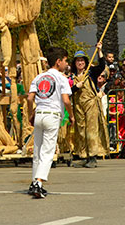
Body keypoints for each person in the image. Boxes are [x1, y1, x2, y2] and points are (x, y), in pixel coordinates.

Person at [27, 46, 75, 199]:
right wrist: (71, 115)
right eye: (65, 61)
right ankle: (39, 182)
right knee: (48, 151)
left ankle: (34, 180)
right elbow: (66, 100)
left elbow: (29, 98)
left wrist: (30, 113)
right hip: (53, 115)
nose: (66, 64)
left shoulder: (39, 77)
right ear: (58, 61)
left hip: (39, 113)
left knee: (38, 150)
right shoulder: (62, 78)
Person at [71, 43, 109, 168]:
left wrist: (99, 51)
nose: (80, 62)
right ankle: (83, 156)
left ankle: (92, 157)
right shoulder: (72, 76)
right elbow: (67, 91)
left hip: (91, 104)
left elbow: (102, 65)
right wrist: (76, 87)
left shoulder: (91, 72)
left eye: (82, 60)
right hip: (78, 106)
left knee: (91, 131)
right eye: (78, 60)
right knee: (81, 131)